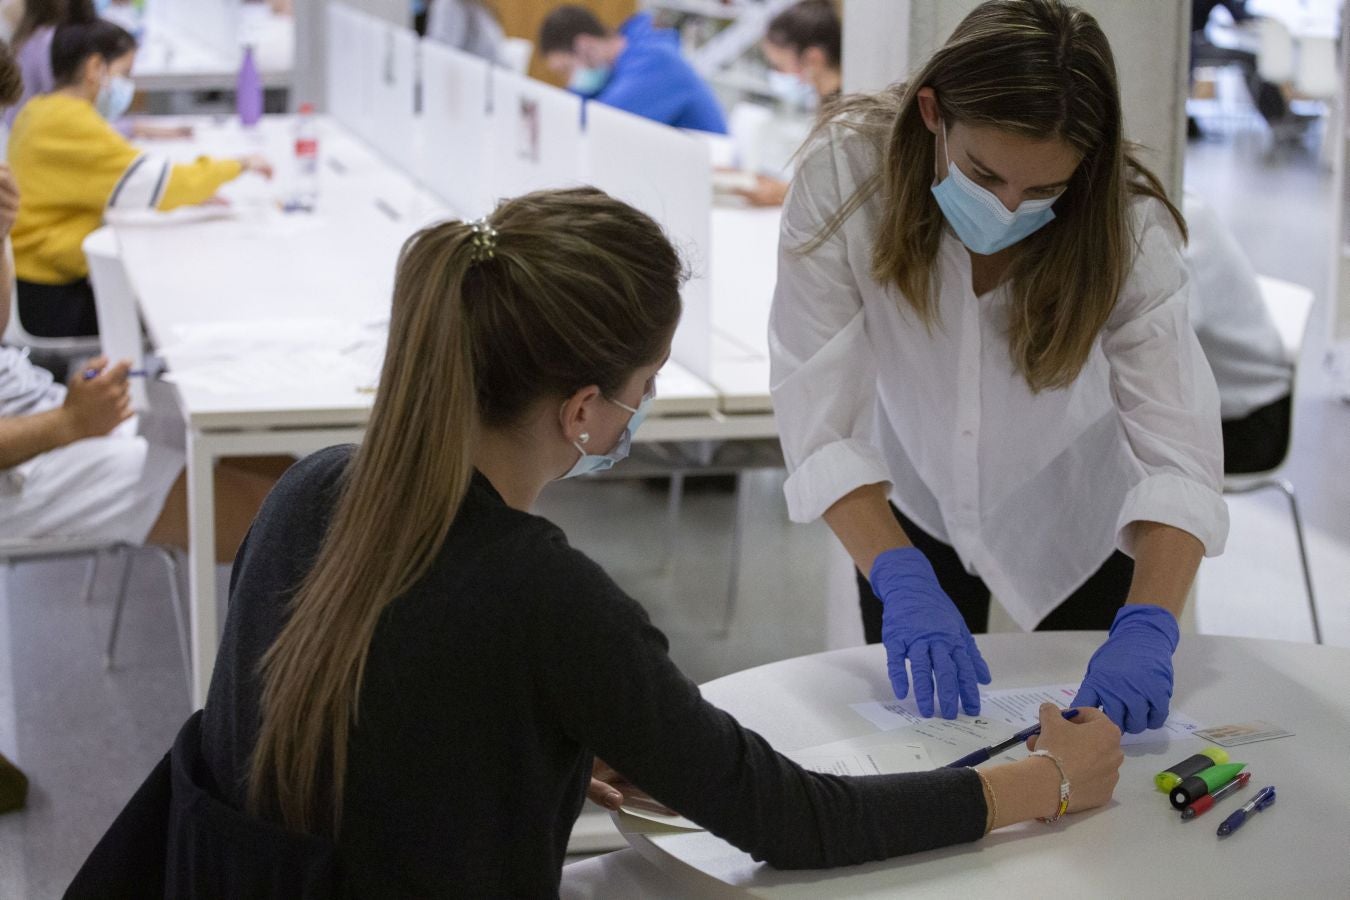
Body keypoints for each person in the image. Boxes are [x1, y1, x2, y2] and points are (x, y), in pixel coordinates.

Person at [67, 187, 1125, 894]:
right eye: (643, 390)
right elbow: (789, 821)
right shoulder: (544, 597)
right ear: (584, 411)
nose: (639, 414)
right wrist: (1043, 780)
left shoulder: (310, 491)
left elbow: (349, 749)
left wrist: (546, 763)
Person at [770, 0, 1228, 734]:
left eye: (1044, 190)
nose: (1009, 207)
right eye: (984, 174)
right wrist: (899, 577)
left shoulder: (1122, 225)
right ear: (932, 111)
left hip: (1076, 501)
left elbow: (1182, 452)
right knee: (917, 743)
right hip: (911, 500)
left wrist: (1148, 626)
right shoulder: (847, 177)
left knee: (1104, 762)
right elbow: (813, 404)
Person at [7, 20, 271, 338]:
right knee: (180, 309)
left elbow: (124, 179)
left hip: (40, 282)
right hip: (53, 300)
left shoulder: (41, 109)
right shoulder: (69, 122)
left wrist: (185, 189)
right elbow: (159, 184)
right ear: (95, 68)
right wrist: (240, 164)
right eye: (125, 74)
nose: (125, 87)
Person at [1182, 192, 1293, 474]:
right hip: (1227, 406)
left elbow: (1166, 348)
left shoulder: (1175, 224)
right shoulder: (1180, 203)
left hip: (1247, 422)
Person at [4, 0, 188, 138]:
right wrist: (136, 128)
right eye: (124, 73)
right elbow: (67, 126)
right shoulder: (47, 44)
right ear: (95, 66)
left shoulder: (40, 39)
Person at [540, 5, 727, 134]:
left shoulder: (655, 62)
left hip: (712, 175)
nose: (569, 82)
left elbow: (596, 123)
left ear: (585, 46)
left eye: (566, 69)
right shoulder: (621, 60)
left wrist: (580, 90)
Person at [737, 0, 844, 208]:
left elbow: (838, 192)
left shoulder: (844, 114)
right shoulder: (826, 100)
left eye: (780, 66)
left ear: (813, 59)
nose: (778, 76)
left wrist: (783, 193)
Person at [424, 0, 503, 63]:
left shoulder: (449, 4)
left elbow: (438, 52)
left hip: (478, 75)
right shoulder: (476, 7)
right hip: (491, 73)